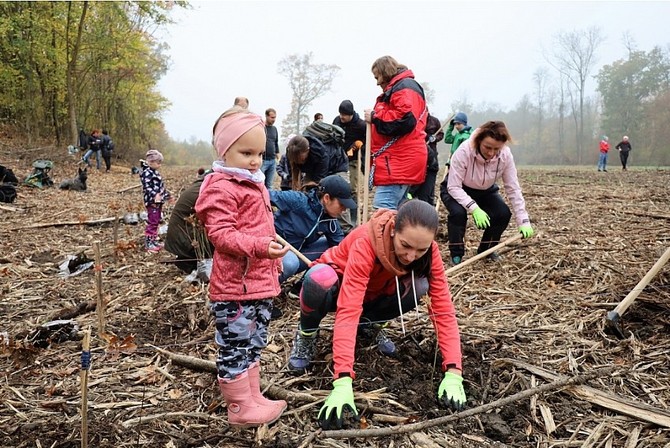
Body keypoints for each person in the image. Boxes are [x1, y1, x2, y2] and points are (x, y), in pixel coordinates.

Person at [287, 199, 466, 429]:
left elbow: (442, 309)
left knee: (420, 286)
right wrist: (342, 381)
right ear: (393, 230)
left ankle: (370, 324)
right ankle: (307, 333)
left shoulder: (429, 252)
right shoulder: (366, 241)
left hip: (375, 294)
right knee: (319, 279)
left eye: (420, 249)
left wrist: (454, 370)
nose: (412, 256)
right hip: (336, 288)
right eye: (406, 245)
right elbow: (348, 310)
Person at [195, 106, 290, 427]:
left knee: (253, 340)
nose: (254, 160)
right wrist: (261, 246)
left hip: (259, 282)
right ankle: (239, 407)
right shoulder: (221, 186)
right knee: (235, 345)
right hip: (235, 288)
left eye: (260, 153)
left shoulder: (253, 182)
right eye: (246, 152)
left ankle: (252, 396)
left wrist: (273, 248)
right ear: (224, 149)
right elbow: (222, 235)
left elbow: (261, 227)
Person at [440, 120, 534, 265]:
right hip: (456, 188)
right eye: (487, 147)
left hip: (485, 189)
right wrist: (474, 208)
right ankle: (456, 254)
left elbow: (513, 188)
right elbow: (453, 187)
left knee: (503, 214)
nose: (491, 153)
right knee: (458, 214)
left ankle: (487, 250)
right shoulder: (464, 151)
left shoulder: (505, 155)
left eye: (496, 149)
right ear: (479, 141)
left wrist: (523, 220)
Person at [364, 56, 428, 211]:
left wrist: (375, 117)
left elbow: (405, 120)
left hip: (399, 162)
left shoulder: (404, 87)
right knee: (398, 210)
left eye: (377, 76)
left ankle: (385, 236)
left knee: (383, 209)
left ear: (385, 72)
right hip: (398, 160)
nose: (377, 82)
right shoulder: (402, 87)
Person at [271, 174, 354, 284]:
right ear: (326, 198)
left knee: (331, 250)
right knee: (291, 262)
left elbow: (340, 251)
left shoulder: (330, 222)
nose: (344, 210)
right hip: (273, 251)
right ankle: (264, 290)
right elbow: (263, 195)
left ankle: (303, 286)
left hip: (298, 253)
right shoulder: (298, 201)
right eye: (341, 205)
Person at [164, 170, 215, 274]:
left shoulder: (202, 184)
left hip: (179, 235)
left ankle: (188, 259)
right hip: (184, 238)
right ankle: (191, 260)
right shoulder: (209, 188)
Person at [333, 100, 366, 223]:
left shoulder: (361, 125)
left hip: (353, 160)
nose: (342, 117)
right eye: (340, 114)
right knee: (339, 188)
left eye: (344, 115)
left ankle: (353, 220)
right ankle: (339, 218)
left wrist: (357, 146)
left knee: (352, 189)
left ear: (351, 114)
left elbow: (366, 140)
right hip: (339, 161)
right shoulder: (337, 121)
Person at [140, 149, 172, 252]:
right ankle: (149, 243)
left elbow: (161, 188)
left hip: (158, 202)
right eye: (158, 163)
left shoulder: (155, 173)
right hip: (152, 202)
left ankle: (153, 240)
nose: (159, 165)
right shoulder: (147, 173)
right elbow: (147, 187)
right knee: (152, 221)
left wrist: (167, 196)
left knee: (157, 220)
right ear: (151, 162)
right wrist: (155, 195)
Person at [410, 111, 445, 205]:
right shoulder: (416, 121)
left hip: (432, 153)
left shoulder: (434, 121)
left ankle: (429, 199)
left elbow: (441, 134)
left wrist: (435, 138)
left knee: (430, 179)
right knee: (419, 177)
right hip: (419, 152)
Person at [262, 108, 279, 189]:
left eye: (275, 117)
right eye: (272, 117)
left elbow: (276, 142)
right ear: (266, 116)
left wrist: (277, 153)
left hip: (272, 160)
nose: (274, 119)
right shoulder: (261, 128)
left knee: (269, 185)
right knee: (260, 182)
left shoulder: (274, 129)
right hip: (262, 160)